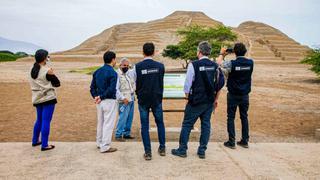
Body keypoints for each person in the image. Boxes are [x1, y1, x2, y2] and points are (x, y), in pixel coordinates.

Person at [171, 41, 224, 159]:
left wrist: (187, 98)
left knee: (187, 124)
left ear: (199, 51)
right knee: (206, 125)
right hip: (209, 101)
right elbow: (220, 84)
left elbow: (187, 84)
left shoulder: (193, 65)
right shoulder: (215, 66)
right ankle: (202, 151)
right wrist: (215, 99)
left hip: (195, 101)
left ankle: (182, 149)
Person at [131, 42, 166, 160]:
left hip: (143, 100)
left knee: (144, 126)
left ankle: (148, 152)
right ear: (154, 52)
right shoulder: (161, 66)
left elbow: (134, 82)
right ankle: (162, 148)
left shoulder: (137, 66)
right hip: (157, 99)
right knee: (160, 123)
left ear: (143, 52)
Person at [217, 43, 254, 149]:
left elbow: (218, 63)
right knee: (244, 117)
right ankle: (245, 141)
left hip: (233, 94)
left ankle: (231, 141)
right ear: (245, 52)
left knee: (231, 117)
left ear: (234, 52)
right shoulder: (251, 63)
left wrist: (222, 54)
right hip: (245, 95)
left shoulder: (232, 63)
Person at [29, 49, 60, 151]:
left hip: (37, 98)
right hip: (48, 98)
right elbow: (57, 83)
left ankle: (35, 140)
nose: (48, 58)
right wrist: (52, 73)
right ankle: (45, 144)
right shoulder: (47, 70)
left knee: (39, 120)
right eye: (47, 57)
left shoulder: (31, 70)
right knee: (46, 121)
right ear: (44, 58)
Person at [90, 51, 119, 153]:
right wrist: (101, 97)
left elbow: (92, 88)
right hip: (109, 100)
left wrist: (96, 97)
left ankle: (99, 142)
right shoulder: (113, 73)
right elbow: (111, 89)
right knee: (108, 123)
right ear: (113, 60)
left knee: (101, 122)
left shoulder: (97, 72)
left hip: (99, 101)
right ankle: (105, 146)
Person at [115, 58, 136, 141]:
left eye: (127, 66)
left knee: (129, 118)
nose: (126, 67)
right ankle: (118, 135)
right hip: (124, 101)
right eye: (124, 65)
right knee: (122, 118)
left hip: (131, 98)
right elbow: (116, 89)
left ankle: (126, 133)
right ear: (120, 65)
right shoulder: (117, 75)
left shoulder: (127, 74)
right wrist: (123, 98)